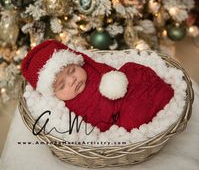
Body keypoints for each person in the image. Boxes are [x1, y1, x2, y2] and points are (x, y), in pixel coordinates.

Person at [21, 39, 174, 132]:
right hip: (119, 114)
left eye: (72, 70)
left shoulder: (90, 69)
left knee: (133, 70)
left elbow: (110, 73)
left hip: (127, 91)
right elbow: (97, 121)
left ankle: (159, 95)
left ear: (78, 62)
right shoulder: (65, 108)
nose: (72, 80)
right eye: (61, 85)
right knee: (132, 117)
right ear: (53, 93)